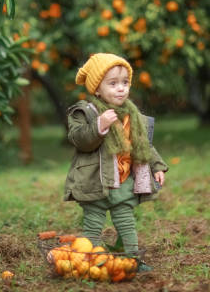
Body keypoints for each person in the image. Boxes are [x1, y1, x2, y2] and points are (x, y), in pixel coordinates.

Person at [64, 53, 168, 272]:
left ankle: (133, 260)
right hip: (95, 183)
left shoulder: (132, 115)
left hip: (123, 184)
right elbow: (79, 140)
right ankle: (88, 262)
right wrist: (99, 126)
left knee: (126, 223)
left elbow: (144, 145)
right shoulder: (85, 112)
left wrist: (157, 166)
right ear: (97, 89)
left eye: (125, 82)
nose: (121, 88)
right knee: (93, 225)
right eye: (113, 84)